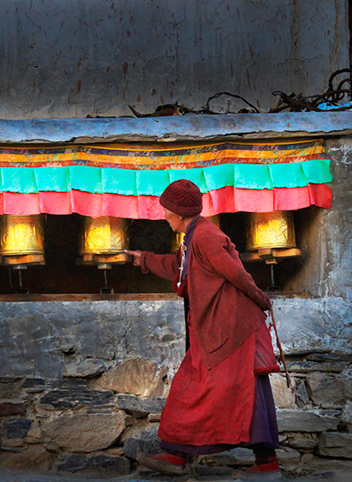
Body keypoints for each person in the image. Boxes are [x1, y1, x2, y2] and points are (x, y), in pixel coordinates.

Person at [125, 179, 281, 477]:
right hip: (217, 330)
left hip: (232, 330)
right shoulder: (192, 237)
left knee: (213, 389)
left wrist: (261, 299)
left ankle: (179, 455)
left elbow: (235, 273)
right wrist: (144, 259)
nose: (164, 215)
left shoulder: (206, 236)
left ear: (180, 212)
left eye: (167, 210)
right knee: (229, 389)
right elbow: (178, 266)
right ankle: (182, 455)